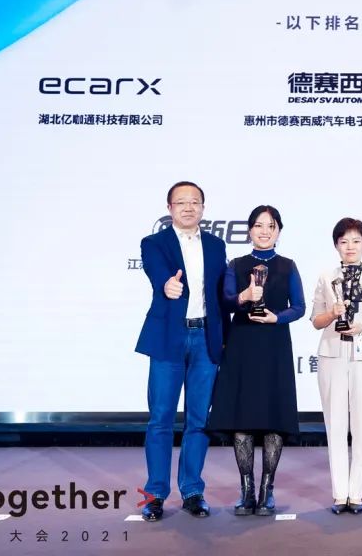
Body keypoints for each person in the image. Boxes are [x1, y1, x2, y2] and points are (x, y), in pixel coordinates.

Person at [134, 181, 228, 521]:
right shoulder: (154, 243)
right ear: (169, 208)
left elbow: (220, 295)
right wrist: (167, 284)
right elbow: (157, 273)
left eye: (195, 202)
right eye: (181, 202)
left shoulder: (216, 245)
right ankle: (155, 494)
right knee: (160, 419)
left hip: (205, 338)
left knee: (199, 420)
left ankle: (192, 491)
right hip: (168, 338)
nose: (189, 207)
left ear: (203, 207)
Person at [207, 205, 305, 516]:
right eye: (259, 225)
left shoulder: (288, 266)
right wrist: (244, 297)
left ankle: (267, 491)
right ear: (249, 230)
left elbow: (299, 307)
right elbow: (225, 301)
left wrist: (278, 317)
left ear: (278, 231)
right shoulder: (236, 265)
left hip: (274, 346)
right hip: (242, 345)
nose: (264, 231)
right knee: (242, 418)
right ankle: (246, 491)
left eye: (271, 226)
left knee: (274, 417)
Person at [310, 218, 362, 515]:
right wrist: (333, 313)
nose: (350, 247)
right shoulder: (326, 277)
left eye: (356, 241)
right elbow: (316, 320)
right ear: (336, 245)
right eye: (344, 241)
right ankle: (339, 494)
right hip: (332, 354)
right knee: (334, 425)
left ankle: (356, 494)